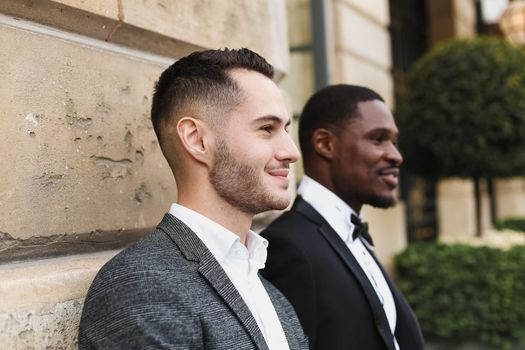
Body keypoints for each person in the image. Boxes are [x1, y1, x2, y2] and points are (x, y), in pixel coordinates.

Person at [79, 48, 308, 350]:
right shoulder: (142, 285)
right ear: (197, 140)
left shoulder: (266, 288)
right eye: (267, 129)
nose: (291, 152)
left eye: (286, 130)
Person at [261, 85, 425, 350]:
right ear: (325, 144)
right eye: (378, 139)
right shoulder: (287, 247)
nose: (396, 155)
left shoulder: (351, 232)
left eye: (393, 142)